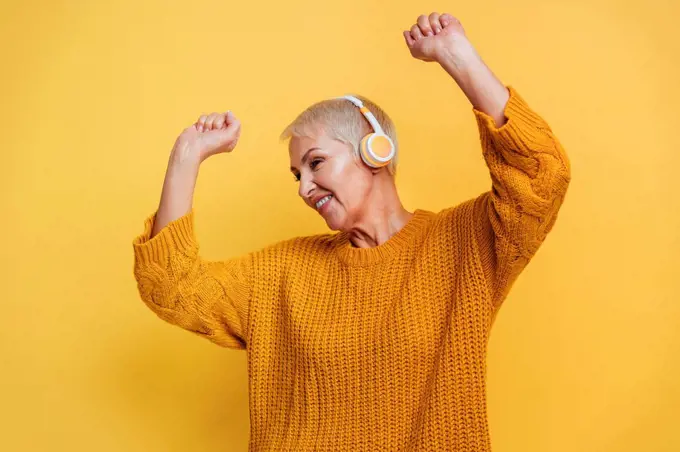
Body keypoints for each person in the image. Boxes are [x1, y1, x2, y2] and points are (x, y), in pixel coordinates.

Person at [132, 11, 571, 451]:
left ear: (375, 150)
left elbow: (540, 177)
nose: (304, 188)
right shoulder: (281, 273)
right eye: (296, 175)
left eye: (316, 163)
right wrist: (187, 155)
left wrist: (457, 56)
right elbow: (173, 287)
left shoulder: (465, 245)